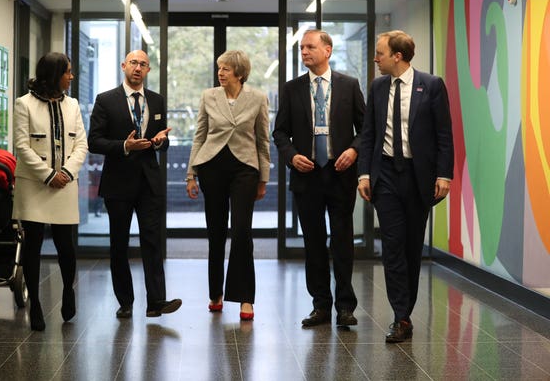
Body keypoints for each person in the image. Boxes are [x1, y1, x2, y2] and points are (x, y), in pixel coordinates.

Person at [357, 30, 454, 342]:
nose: (376, 59)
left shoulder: (432, 85)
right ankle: (401, 316)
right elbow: (369, 133)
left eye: (380, 53)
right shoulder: (377, 87)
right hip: (385, 174)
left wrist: (444, 174)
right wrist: (364, 174)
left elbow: (444, 135)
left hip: (418, 177)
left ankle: (405, 309)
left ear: (397, 56)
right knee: (393, 246)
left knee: (412, 246)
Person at [273, 29, 365, 328]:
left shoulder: (349, 86)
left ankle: (345, 307)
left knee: (342, 242)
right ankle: (321, 306)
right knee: (313, 244)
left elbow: (366, 130)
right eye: (301, 48)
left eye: (310, 47)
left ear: (327, 50)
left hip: (341, 175)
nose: (304, 53)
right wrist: (290, 155)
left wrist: (353, 150)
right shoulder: (291, 89)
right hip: (307, 175)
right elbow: (279, 132)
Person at [88, 50, 181, 319]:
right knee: (119, 244)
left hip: (149, 182)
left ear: (148, 70)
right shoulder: (106, 100)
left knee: (152, 242)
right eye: (133, 63)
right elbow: (94, 141)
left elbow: (161, 141)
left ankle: (156, 302)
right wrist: (124, 146)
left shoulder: (156, 100)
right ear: (123, 66)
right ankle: (125, 301)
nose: (137, 68)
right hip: (118, 183)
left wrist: (163, 142)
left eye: (143, 64)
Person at [186, 50, 270, 321]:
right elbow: (199, 135)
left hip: (245, 168)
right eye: (219, 68)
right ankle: (215, 294)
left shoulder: (257, 98)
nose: (220, 73)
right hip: (212, 167)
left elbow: (262, 141)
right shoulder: (209, 96)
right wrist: (191, 174)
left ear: (239, 72)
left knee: (242, 230)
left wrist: (264, 178)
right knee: (216, 231)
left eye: (225, 69)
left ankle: (246, 297)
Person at [13, 52, 88, 331]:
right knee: (32, 244)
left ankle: (68, 290)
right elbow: (22, 146)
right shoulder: (24, 104)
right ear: (54, 74)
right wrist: (47, 175)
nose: (71, 76)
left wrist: (66, 173)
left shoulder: (74, 105)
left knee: (65, 245)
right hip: (34, 183)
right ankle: (36, 305)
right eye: (67, 71)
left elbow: (81, 144)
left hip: (65, 184)